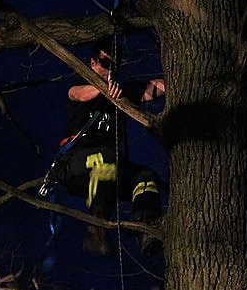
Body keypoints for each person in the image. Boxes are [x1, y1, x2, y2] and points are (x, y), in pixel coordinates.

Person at [56, 38, 165, 256]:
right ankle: (97, 230)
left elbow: (152, 89)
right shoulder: (77, 86)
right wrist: (103, 89)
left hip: (111, 167)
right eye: (105, 63)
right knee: (106, 158)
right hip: (77, 164)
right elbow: (79, 93)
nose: (109, 70)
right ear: (93, 62)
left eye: (114, 65)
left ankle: (145, 229)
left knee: (146, 176)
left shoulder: (121, 91)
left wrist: (180, 79)